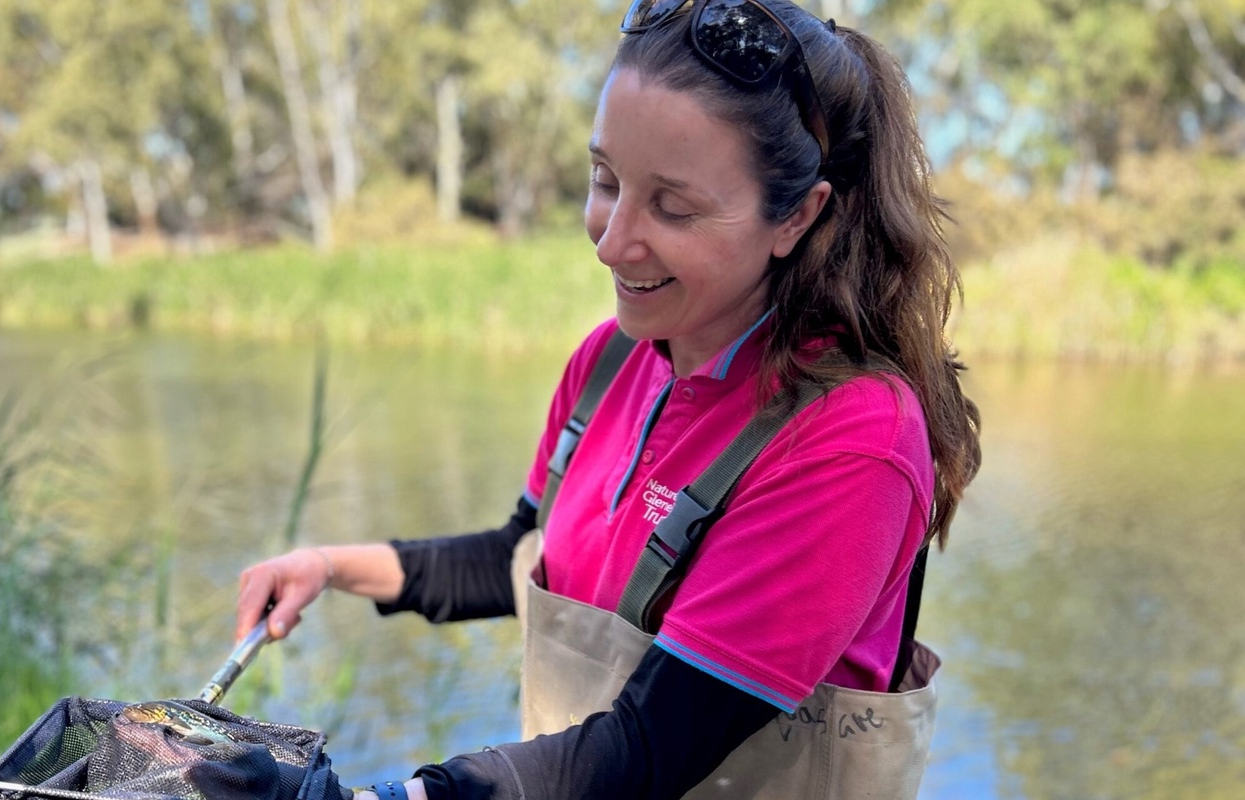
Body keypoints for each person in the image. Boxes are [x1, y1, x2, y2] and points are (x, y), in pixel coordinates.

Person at [234, 1, 982, 797]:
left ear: (797, 216)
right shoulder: (609, 361)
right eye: (604, 179)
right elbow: (522, 557)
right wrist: (326, 566)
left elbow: (650, 748)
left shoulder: (851, 437)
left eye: (673, 206)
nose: (609, 238)